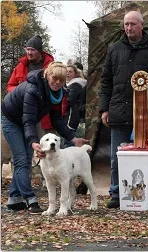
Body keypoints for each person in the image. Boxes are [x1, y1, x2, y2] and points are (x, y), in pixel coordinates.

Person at [99, 11, 148, 209]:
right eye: (126, 24)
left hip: (147, 114)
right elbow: (106, 82)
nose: (128, 28)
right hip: (119, 110)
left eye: (132, 24)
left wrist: (147, 79)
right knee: (116, 157)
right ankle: (116, 193)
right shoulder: (114, 49)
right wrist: (104, 109)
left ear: (142, 25)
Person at [1, 62, 89, 214]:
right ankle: (30, 199)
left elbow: (57, 120)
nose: (57, 83)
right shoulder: (33, 89)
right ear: (48, 75)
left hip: (29, 120)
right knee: (21, 158)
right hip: (11, 118)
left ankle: (14, 199)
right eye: (55, 78)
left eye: (61, 80)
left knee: (26, 159)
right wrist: (34, 141)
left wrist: (73, 138)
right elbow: (27, 120)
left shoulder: (59, 93)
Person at [7, 35, 59, 134]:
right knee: (29, 146)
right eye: (28, 49)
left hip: (45, 116)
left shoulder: (52, 67)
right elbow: (10, 86)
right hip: (23, 113)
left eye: (33, 50)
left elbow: (59, 89)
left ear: (40, 51)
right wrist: (21, 91)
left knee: (45, 148)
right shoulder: (20, 66)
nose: (29, 53)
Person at [64, 64, 87, 146]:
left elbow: (69, 101)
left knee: (69, 140)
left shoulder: (75, 85)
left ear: (75, 74)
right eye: (66, 71)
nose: (67, 73)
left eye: (70, 72)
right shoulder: (68, 85)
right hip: (71, 116)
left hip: (72, 116)